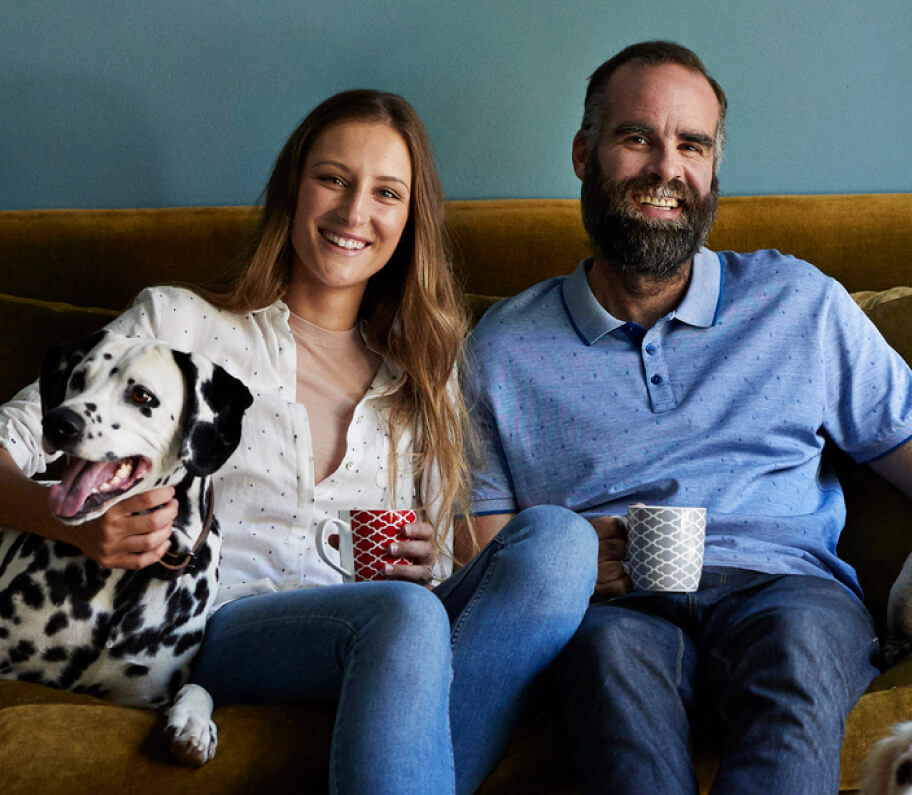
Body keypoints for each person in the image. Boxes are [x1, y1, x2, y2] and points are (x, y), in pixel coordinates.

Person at [0, 89, 597, 795]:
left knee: (560, 544)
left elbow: (441, 559)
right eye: (333, 179)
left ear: (409, 220)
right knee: (401, 615)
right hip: (220, 625)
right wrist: (74, 524)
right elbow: (13, 439)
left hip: (385, 632)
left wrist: (426, 561)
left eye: (386, 192)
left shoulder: (426, 376)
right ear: (294, 187)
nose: (354, 213)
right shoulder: (180, 326)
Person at [463, 41, 912, 795]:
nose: (666, 168)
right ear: (584, 153)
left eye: (692, 144)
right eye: (637, 137)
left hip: (788, 587)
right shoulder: (501, 347)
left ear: (711, 168)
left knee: (798, 652)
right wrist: (570, 562)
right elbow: (475, 539)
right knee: (609, 676)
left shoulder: (798, 303)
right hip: (613, 607)